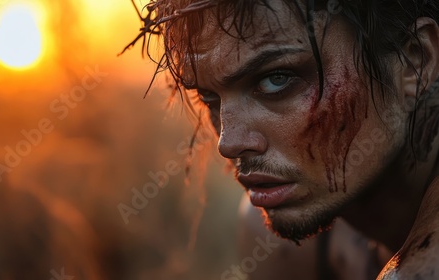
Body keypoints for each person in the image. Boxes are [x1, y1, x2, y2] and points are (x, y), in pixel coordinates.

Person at [126, 0, 439, 279]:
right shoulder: (275, 238)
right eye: (209, 97)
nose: (228, 142)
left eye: (277, 79)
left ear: (414, 60)